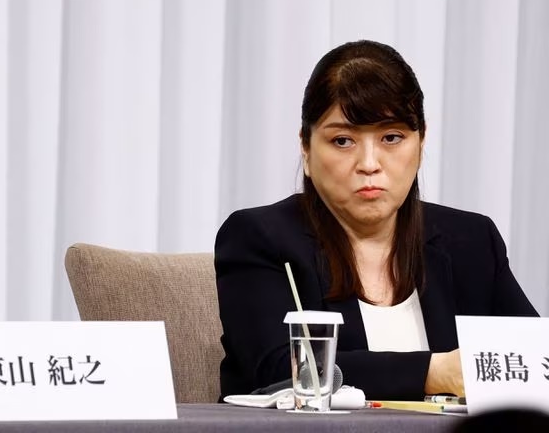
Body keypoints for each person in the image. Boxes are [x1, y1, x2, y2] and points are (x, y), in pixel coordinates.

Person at [214, 40, 537, 401]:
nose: (369, 163)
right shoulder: (260, 239)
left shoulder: (472, 241)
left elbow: (535, 364)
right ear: (306, 148)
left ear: (421, 141)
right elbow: (281, 371)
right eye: (342, 141)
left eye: (392, 137)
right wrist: (436, 373)